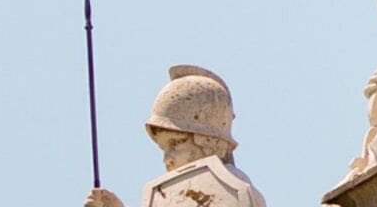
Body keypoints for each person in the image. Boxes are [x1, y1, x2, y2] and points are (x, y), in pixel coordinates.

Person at [82, 65, 264, 207]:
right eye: (164, 148)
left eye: (176, 143)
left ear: (208, 141)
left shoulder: (231, 187)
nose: (167, 159)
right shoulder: (169, 196)